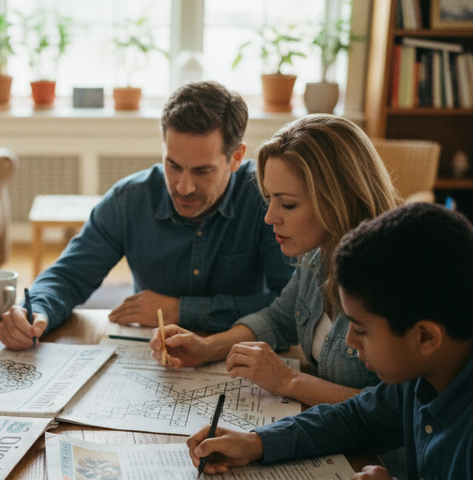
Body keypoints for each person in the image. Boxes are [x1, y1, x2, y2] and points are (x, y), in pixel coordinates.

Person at [187, 202, 473, 479]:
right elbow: (356, 419)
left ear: (425, 337)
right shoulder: (419, 377)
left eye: (360, 329)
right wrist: (256, 443)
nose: (349, 339)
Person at [0, 81, 294, 350]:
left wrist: (181, 310)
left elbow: (291, 305)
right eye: (174, 165)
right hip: (150, 354)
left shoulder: (266, 199)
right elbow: (68, 274)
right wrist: (36, 311)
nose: (183, 186)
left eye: (202, 171)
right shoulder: (129, 200)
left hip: (239, 351)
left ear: (237, 157)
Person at [151, 114, 400, 407]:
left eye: (288, 204)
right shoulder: (318, 254)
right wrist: (205, 348)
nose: (270, 218)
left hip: (377, 453)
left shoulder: (394, 277)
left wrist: (287, 380)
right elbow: (279, 319)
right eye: (270, 200)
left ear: (338, 199)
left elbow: (396, 409)